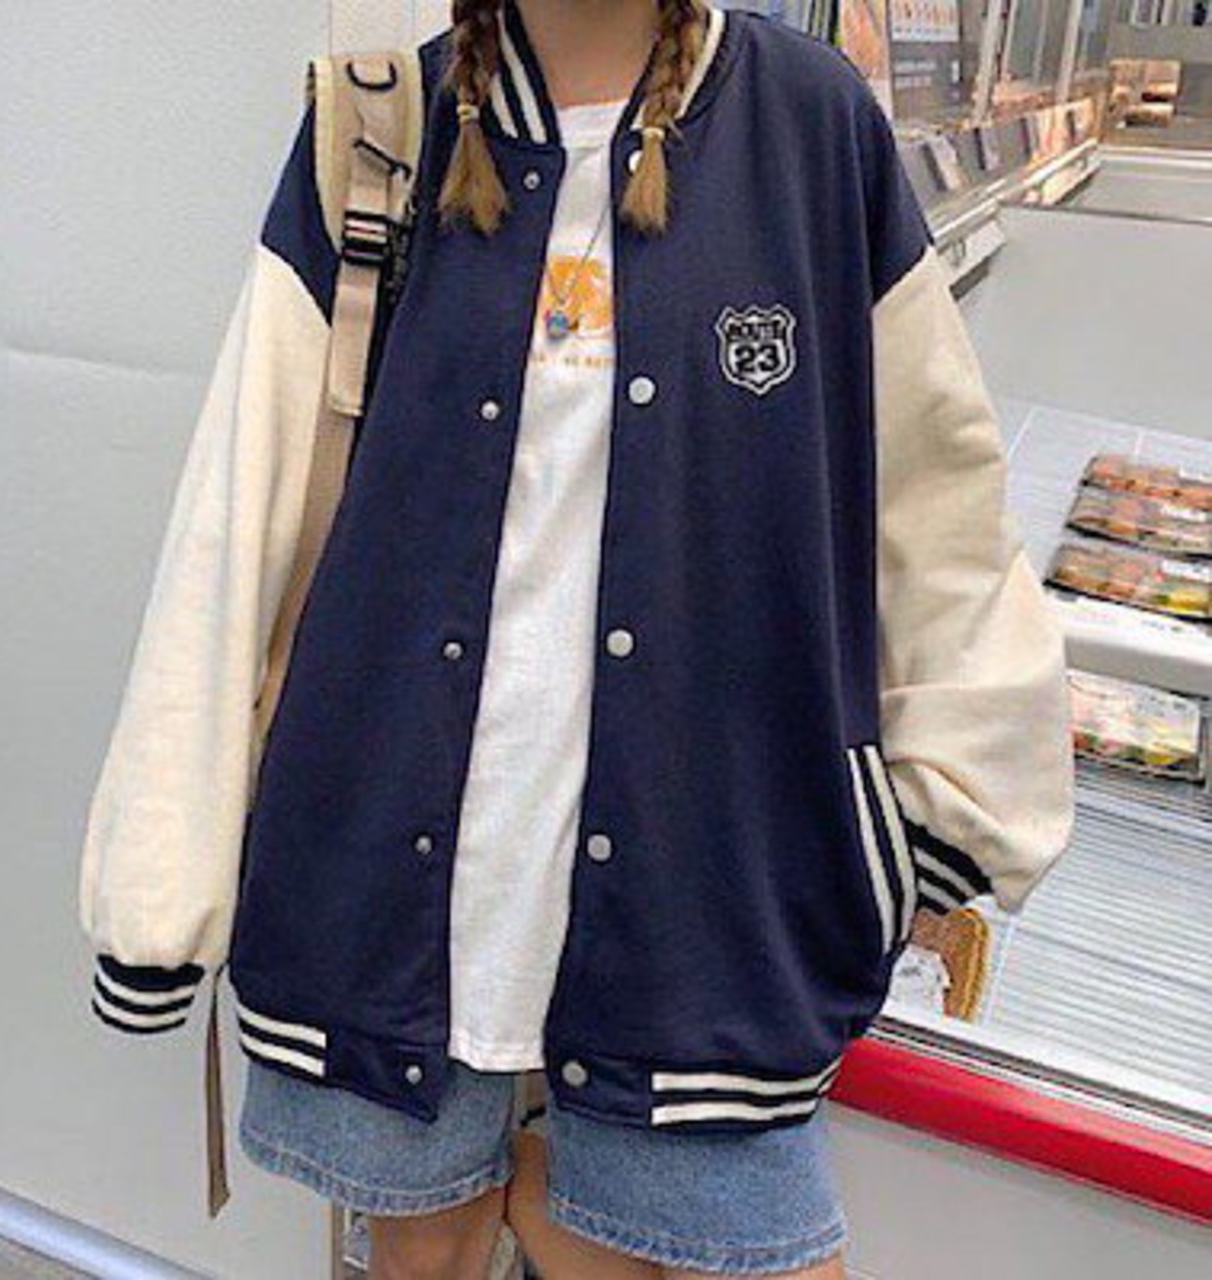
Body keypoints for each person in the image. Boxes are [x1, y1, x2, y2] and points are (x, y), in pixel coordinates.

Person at [78, 1, 1077, 1277]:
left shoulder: (810, 128)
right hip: (395, 888)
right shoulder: (380, 131)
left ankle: (548, 1178)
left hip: (706, 901)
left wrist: (949, 813)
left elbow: (939, 500)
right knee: (422, 1251)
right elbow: (237, 509)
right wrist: (158, 887)